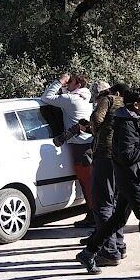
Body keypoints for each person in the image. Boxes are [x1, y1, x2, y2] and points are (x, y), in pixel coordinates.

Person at [77, 88, 140, 278]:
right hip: (131, 179)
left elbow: (135, 146)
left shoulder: (135, 119)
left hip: (135, 177)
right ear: (135, 105)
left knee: (117, 219)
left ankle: (89, 252)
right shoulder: (126, 124)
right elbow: (127, 154)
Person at [86, 81, 128, 266]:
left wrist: (97, 133)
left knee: (103, 203)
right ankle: (119, 245)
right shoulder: (129, 102)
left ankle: (109, 252)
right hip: (124, 158)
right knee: (118, 203)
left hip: (105, 156)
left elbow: (96, 119)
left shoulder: (108, 99)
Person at [42, 73, 94, 214]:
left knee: (86, 182)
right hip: (87, 142)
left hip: (79, 146)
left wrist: (59, 81)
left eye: (70, 82)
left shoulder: (71, 99)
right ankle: (94, 214)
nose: (67, 84)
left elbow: (46, 97)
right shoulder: (85, 97)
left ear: (78, 85)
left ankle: (93, 216)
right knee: (89, 181)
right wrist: (66, 86)